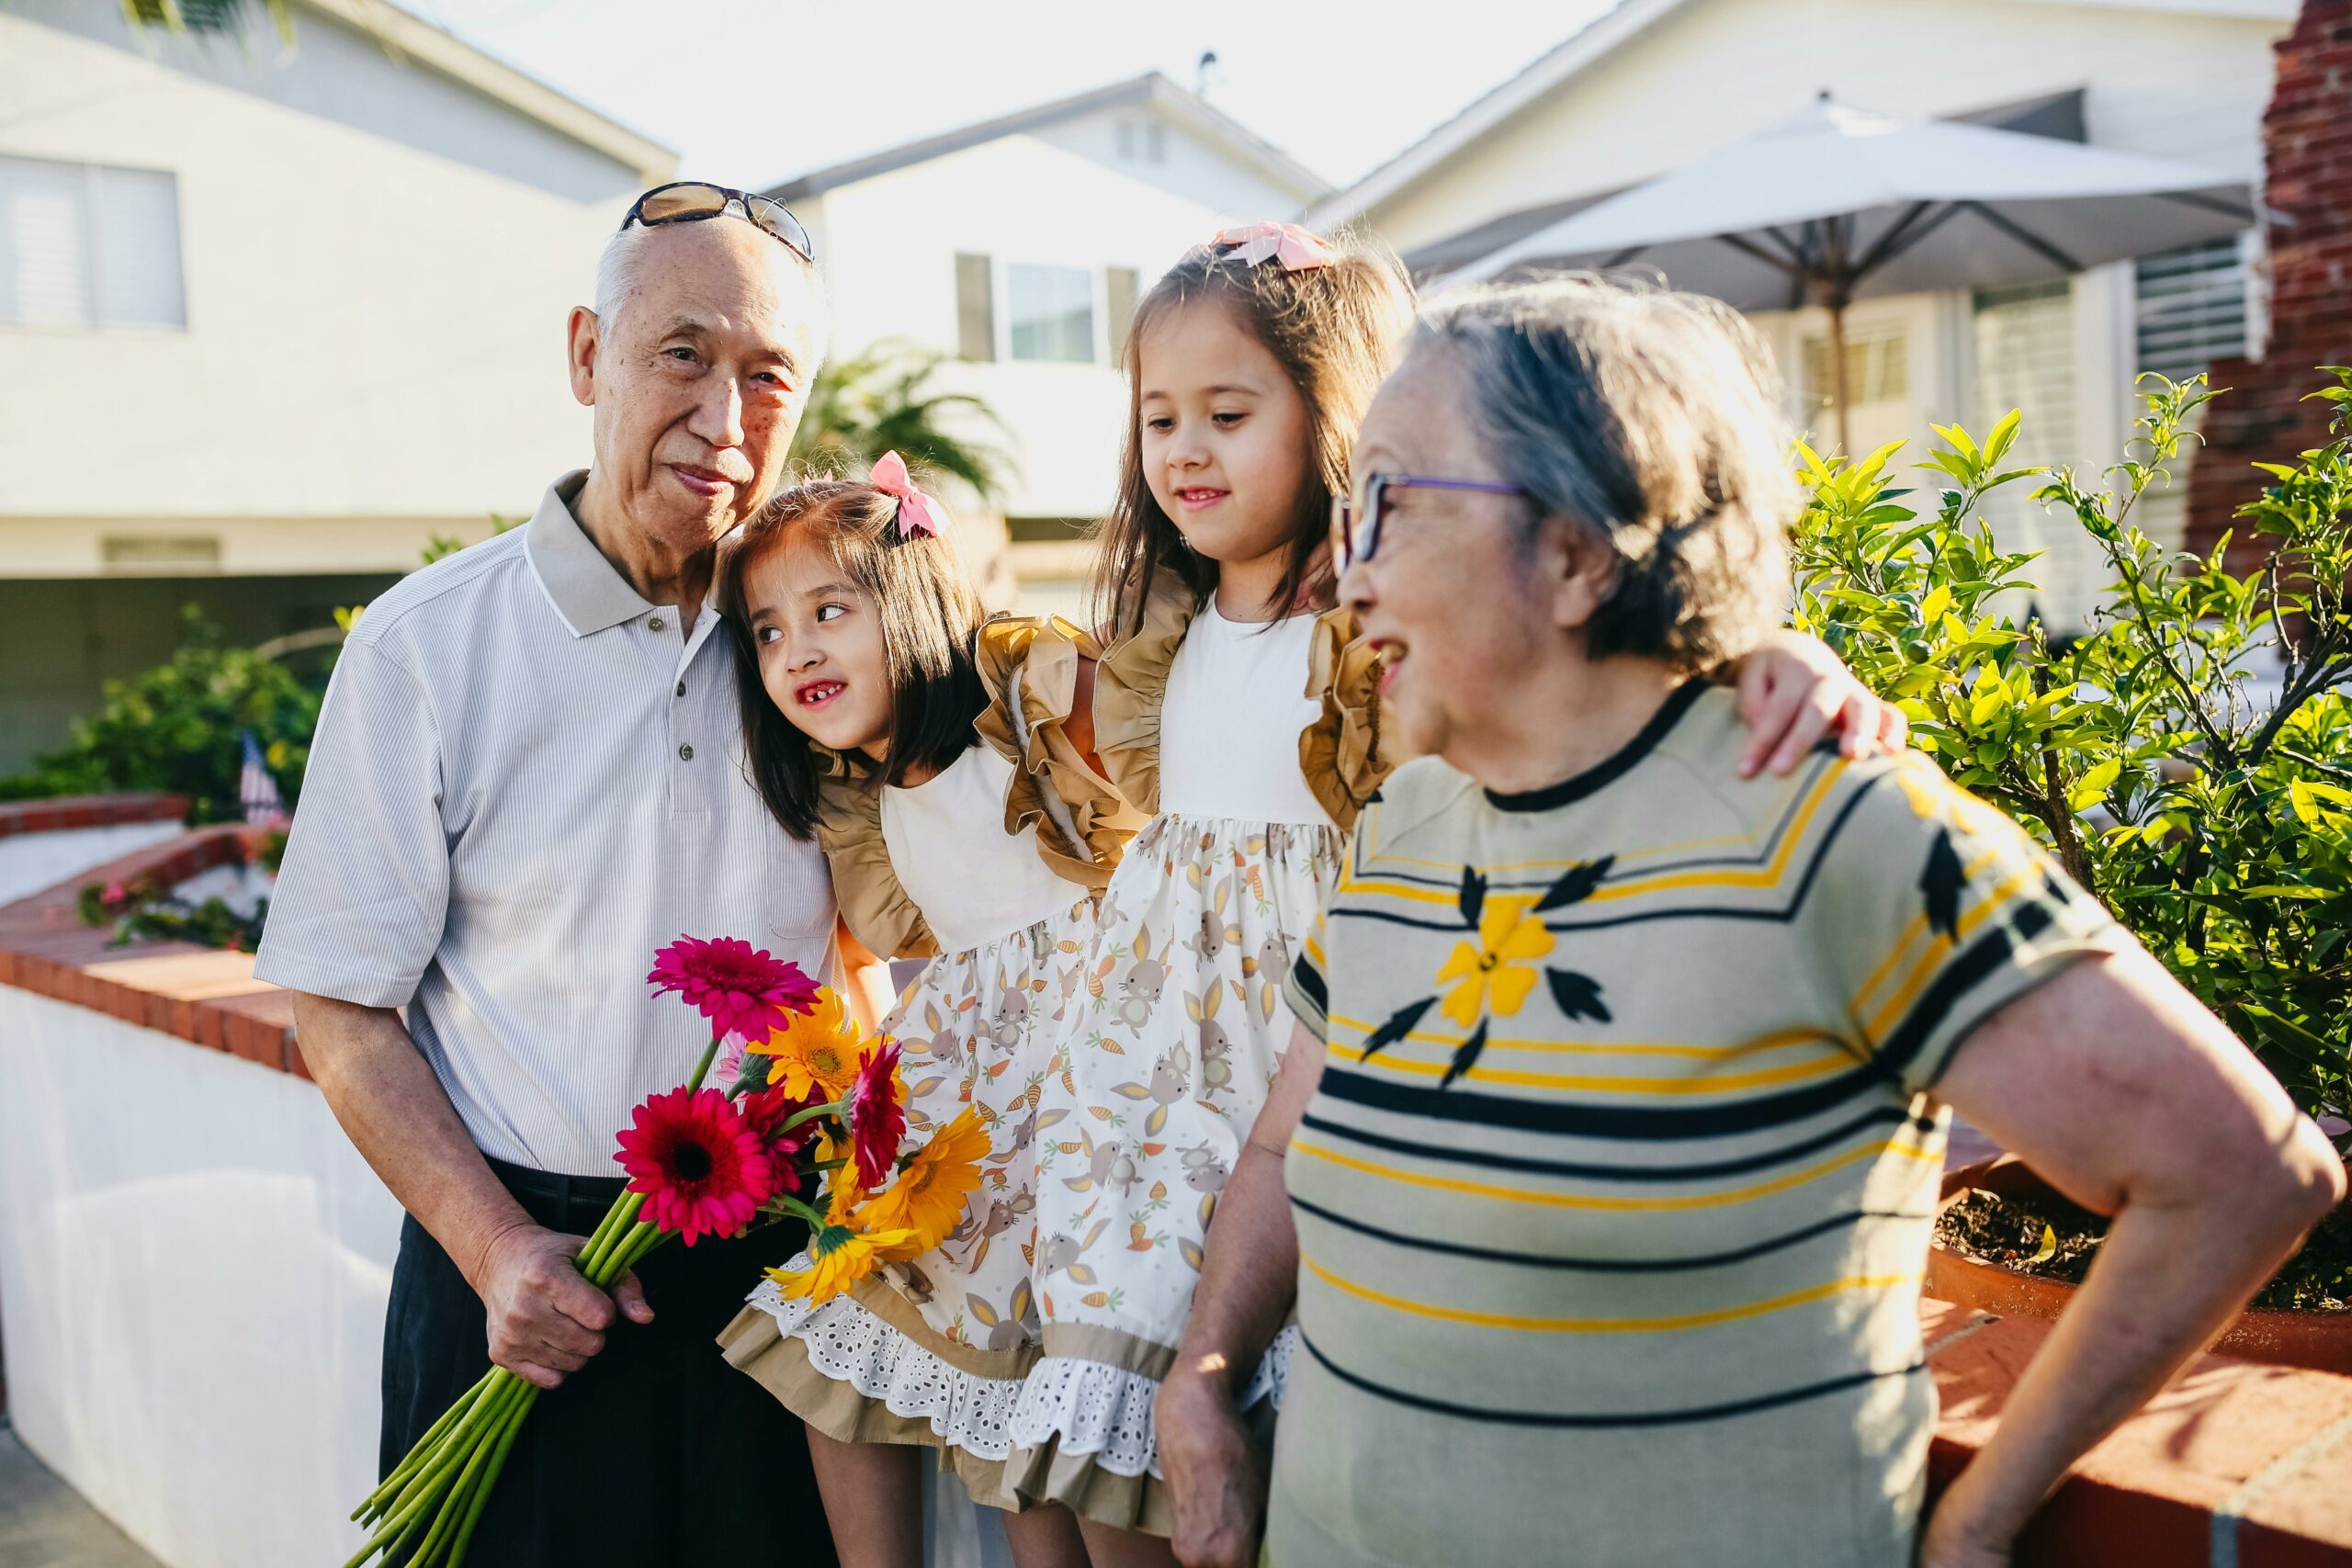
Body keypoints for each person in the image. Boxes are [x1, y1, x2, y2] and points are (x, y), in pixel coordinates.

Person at [1156, 275, 2348, 1568]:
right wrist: (1202, 1373)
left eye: (1385, 499)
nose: (1344, 568)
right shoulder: (1404, 828)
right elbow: (1286, 1144)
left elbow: (2238, 1171)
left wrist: (1979, 1522)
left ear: (1575, 548)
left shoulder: (1831, 827)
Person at [1003, 228, 1909, 1562]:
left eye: (1229, 413)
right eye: (1159, 418)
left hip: (1288, 1045)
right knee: (1089, 1434)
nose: (1185, 448)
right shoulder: (1157, 641)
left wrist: (1777, 649)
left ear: (1337, 418)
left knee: (1238, 1438)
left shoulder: (1373, 628)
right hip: (1138, 1080)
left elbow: (1595, 661)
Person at [256, 183, 883, 1566]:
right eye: (683, 355)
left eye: (767, 374)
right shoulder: (429, 647)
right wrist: (495, 1251)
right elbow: (340, 1010)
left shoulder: (830, 650)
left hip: (773, 1288)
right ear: (588, 355)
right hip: (521, 1294)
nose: (726, 421)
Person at [710, 468, 1144, 1568]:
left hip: (1106, 1093)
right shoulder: (862, 803)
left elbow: (1160, 818)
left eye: (829, 611)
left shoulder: (1027, 706)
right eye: (766, 632)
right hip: (981, 1128)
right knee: (927, 1368)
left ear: (909, 594)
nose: (796, 651)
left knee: (1090, 1423)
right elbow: (869, 960)